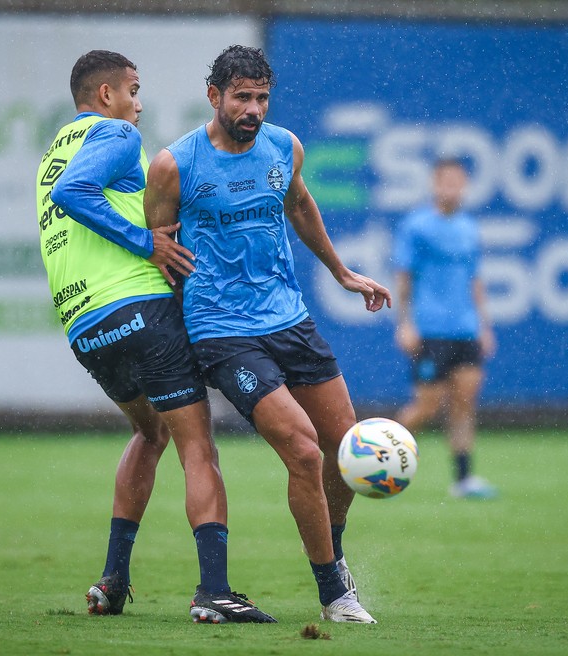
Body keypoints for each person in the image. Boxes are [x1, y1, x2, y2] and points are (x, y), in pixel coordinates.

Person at [145, 45, 391, 624]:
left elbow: (300, 204)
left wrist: (342, 272)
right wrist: (181, 325)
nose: (253, 110)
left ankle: (332, 552)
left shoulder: (285, 146)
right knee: (304, 452)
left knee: (347, 449)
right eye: (242, 98)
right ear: (214, 97)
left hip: (289, 318)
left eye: (261, 98)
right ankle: (335, 592)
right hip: (222, 331)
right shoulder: (174, 165)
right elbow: (159, 247)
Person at [36, 49, 276, 624]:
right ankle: (213, 592)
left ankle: (114, 580)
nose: (138, 104)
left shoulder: (53, 153)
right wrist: (147, 244)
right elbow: (77, 195)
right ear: (105, 96)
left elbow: (62, 196)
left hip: (86, 326)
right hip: (140, 310)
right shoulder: (116, 136)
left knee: (150, 433)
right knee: (199, 446)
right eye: (133, 90)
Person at [393, 158, 498, 500]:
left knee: (465, 403)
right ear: (434, 185)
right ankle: (375, 457)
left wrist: (484, 325)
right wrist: (405, 322)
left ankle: (464, 478)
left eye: (458, 181)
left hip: (466, 329)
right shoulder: (416, 226)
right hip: (431, 329)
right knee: (427, 407)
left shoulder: (469, 228)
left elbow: (476, 279)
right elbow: (404, 277)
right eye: (446, 181)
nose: (452, 187)